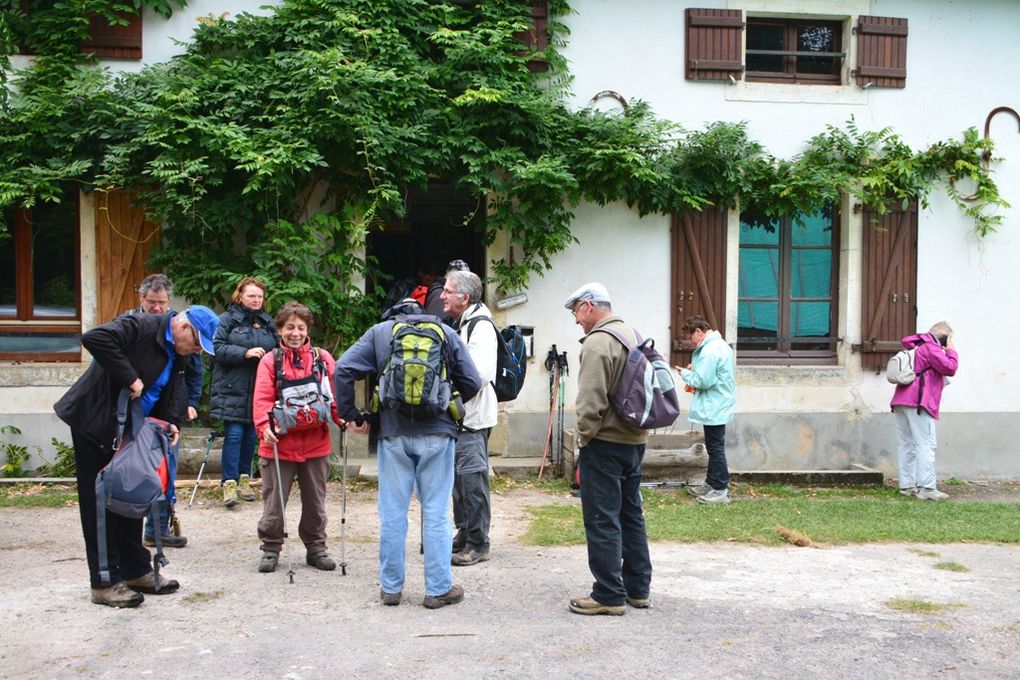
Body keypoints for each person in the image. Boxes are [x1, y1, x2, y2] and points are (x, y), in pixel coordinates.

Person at [54, 306, 220, 608]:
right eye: (196, 343)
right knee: (100, 503)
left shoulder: (180, 352)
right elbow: (95, 337)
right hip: (95, 424)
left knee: (130, 495)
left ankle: (135, 570)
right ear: (183, 327)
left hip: (131, 429)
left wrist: (171, 422)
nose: (196, 351)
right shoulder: (142, 325)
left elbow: (171, 389)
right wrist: (129, 377)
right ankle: (104, 581)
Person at [335, 298, 482, 608]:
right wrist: (444, 397)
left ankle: (391, 589)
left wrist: (354, 414)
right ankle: (438, 589)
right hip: (438, 433)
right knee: (436, 513)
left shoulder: (379, 332)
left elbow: (344, 368)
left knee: (392, 513)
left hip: (393, 434)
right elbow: (472, 381)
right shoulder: (444, 331)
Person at [564, 282, 652, 616]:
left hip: (605, 443)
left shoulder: (599, 343)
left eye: (576, 312)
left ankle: (608, 594)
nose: (576, 321)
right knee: (631, 515)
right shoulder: (634, 334)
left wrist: (584, 439)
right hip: (634, 441)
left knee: (601, 518)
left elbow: (589, 403)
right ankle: (637, 588)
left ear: (588, 305)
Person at [251, 302, 343, 572]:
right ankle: (271, 547)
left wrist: (344, 418)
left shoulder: (322, 358)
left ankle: (316, 547)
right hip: (279, 444)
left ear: (308, 330)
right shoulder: (270, 361)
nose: (295, 333)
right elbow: (262, 399)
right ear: (280, 329)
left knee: (316, 502)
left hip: (316, 443)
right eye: (289, 327)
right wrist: (262, 427)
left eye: (300, 328)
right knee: (274, 501)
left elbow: (334, 395)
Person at [123, 274, 202, 549]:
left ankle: (158, 529)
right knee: (131, 473)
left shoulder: (181, 328)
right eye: (152, 302)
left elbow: (194, 370)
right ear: (141, 299)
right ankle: (126, 530)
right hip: (133, 413)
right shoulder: (129, 324)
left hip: (169, 413)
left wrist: (191, 401)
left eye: (162, 303)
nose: (157, 308)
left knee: (165, 471)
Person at [441, 270, 498, 566]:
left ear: (464, 297)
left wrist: (446, 390)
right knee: (459, 483)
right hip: (461, 417)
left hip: (472, 419)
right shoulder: (463, 324)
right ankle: (464, 533)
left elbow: (479, 375)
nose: (442, 295)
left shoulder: (481, 327)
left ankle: (478, 543)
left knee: (473, 483)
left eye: (448, 291)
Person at [210, 277, 279, 508]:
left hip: (260, 389)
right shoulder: (227, 320)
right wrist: (245, 353)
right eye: (252, 296)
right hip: (232, 387)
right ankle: (228, 484)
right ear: (240, 296)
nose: (256, 300)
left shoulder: (268, 322)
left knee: (252, 437)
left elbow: (278, 350)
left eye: (259, 296)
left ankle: (244, 480)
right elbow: (216, 348)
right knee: (235, 436)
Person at [890, 321, 959, 501]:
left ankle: (907, 486)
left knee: (907, 444)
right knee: (925, 444)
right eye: (949, 339)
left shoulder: (918, 347)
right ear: (944, 337)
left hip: (901, 400)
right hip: (919, 401)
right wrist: (950, 350)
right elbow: (950, 368)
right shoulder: (931, 348)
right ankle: (928, 489)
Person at [676, 315, 736, 505]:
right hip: (717, 403)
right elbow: (712, 373)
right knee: (714, 446)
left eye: (690, 337)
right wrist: (697, 369)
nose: (690, 342)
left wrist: (685, 374)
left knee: (716, 448)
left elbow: (704, 381)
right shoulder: (719, 346)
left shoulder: (710, 350)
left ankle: (720, 490)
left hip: (714, 405)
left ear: (699, 332)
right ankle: (711, 483)